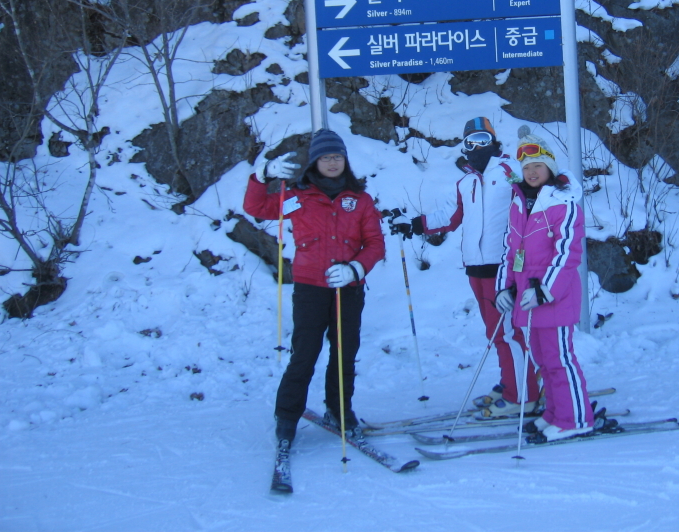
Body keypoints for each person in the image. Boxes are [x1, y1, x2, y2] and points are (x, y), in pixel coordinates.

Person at [244, 129, 385, 489]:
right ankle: (286, 418)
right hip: (310, 289)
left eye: (337, 156)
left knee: (344, 353)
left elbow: (375, 243)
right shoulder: (298, 197)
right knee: (304, 354)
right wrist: (262, 176)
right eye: (325, 157)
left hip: (348, 289)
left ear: (344, 160)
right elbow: (256, 208)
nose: (332, 162)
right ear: (314, 162)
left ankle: (340, 411)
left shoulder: (360, 200)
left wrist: (356, 268)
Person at [391, 117, 538, 416]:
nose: (477, 147)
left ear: (493, 142)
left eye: (483, 139)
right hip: (475, 267)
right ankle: (512, 381)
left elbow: (533, 200)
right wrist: (414, 224)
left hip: (502, 266)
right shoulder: (466, 182)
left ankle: (523, 394)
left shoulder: (510, 170)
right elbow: (450, 216)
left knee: (508, 332)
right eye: (471, 141)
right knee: (495, 332)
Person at [494, 127, 594, 442]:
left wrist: (544, 290)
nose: (532, 172)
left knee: (559, 359)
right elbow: (511, 250)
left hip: (553, 296)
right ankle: (554, 413)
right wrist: (505, 287)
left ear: (549, 167)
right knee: (542, 359)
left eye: (538, 165)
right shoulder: (519, 202)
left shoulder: (564, 202)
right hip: (527, 296)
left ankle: (575, 419)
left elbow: (568, 253)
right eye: (527, 167)